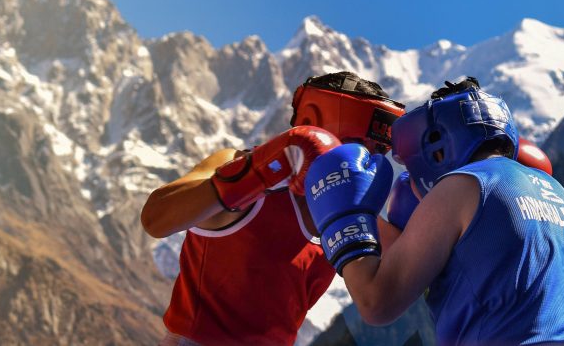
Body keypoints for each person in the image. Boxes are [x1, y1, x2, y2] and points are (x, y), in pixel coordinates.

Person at [304, 77, 564, 345]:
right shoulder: (554, 190)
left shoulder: (462, 186)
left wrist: (343, 217)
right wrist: (369, 219)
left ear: (436, 145)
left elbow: (376, 302)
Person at [140, 72, 406, 346]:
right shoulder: (236, 165)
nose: (364, 159)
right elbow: (155, 218)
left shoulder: (346, 210)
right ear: (311, 125)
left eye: (379, 151)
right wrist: (255, 173)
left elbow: (407, 269)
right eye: (358, 144)